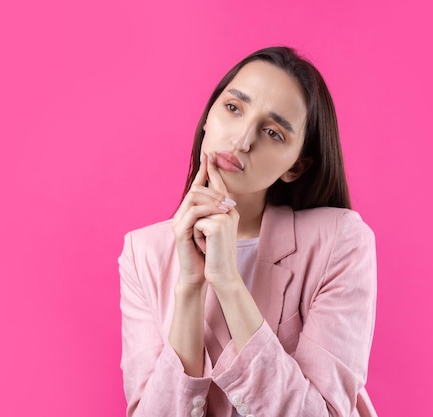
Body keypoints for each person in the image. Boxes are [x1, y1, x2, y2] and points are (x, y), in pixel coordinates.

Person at [118, 46, 378, 417]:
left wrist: (227, 281)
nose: (242, 141)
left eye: (273, 133)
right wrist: (191, 287)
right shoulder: (143, 252)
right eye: (233, 108)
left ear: (295, 167)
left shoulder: (340, 241)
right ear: (208, 116)